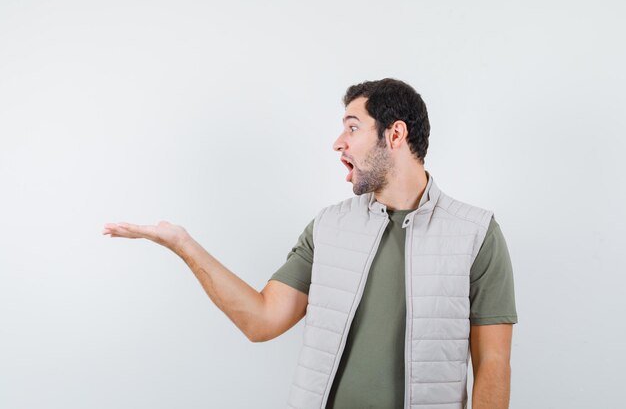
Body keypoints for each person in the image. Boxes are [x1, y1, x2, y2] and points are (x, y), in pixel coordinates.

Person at [102, 78, 517, 409]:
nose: (338, 143)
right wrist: (184, 245)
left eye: (352, 128)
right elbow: (261, 321)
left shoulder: (476, 234)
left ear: (395, 135)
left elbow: (492, 365)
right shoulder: (328, 227)